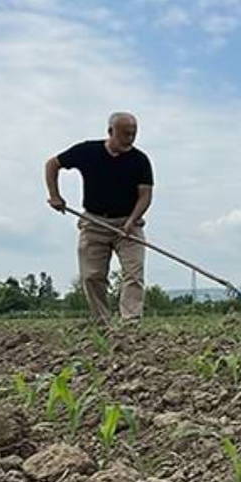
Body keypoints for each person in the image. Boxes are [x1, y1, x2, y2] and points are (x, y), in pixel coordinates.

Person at [45, 112, 154, 324]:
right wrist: (55, 195)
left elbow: (145, 195)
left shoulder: (140, 160)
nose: (129, 139)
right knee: (92, 276)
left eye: (133, 134)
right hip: (94, 223)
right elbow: (52, 165)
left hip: (128, 224)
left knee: (134, 274)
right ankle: (102, 321)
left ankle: (131, 322)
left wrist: (132, 221)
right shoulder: (88, 151)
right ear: (110, 131)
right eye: (125, 134)